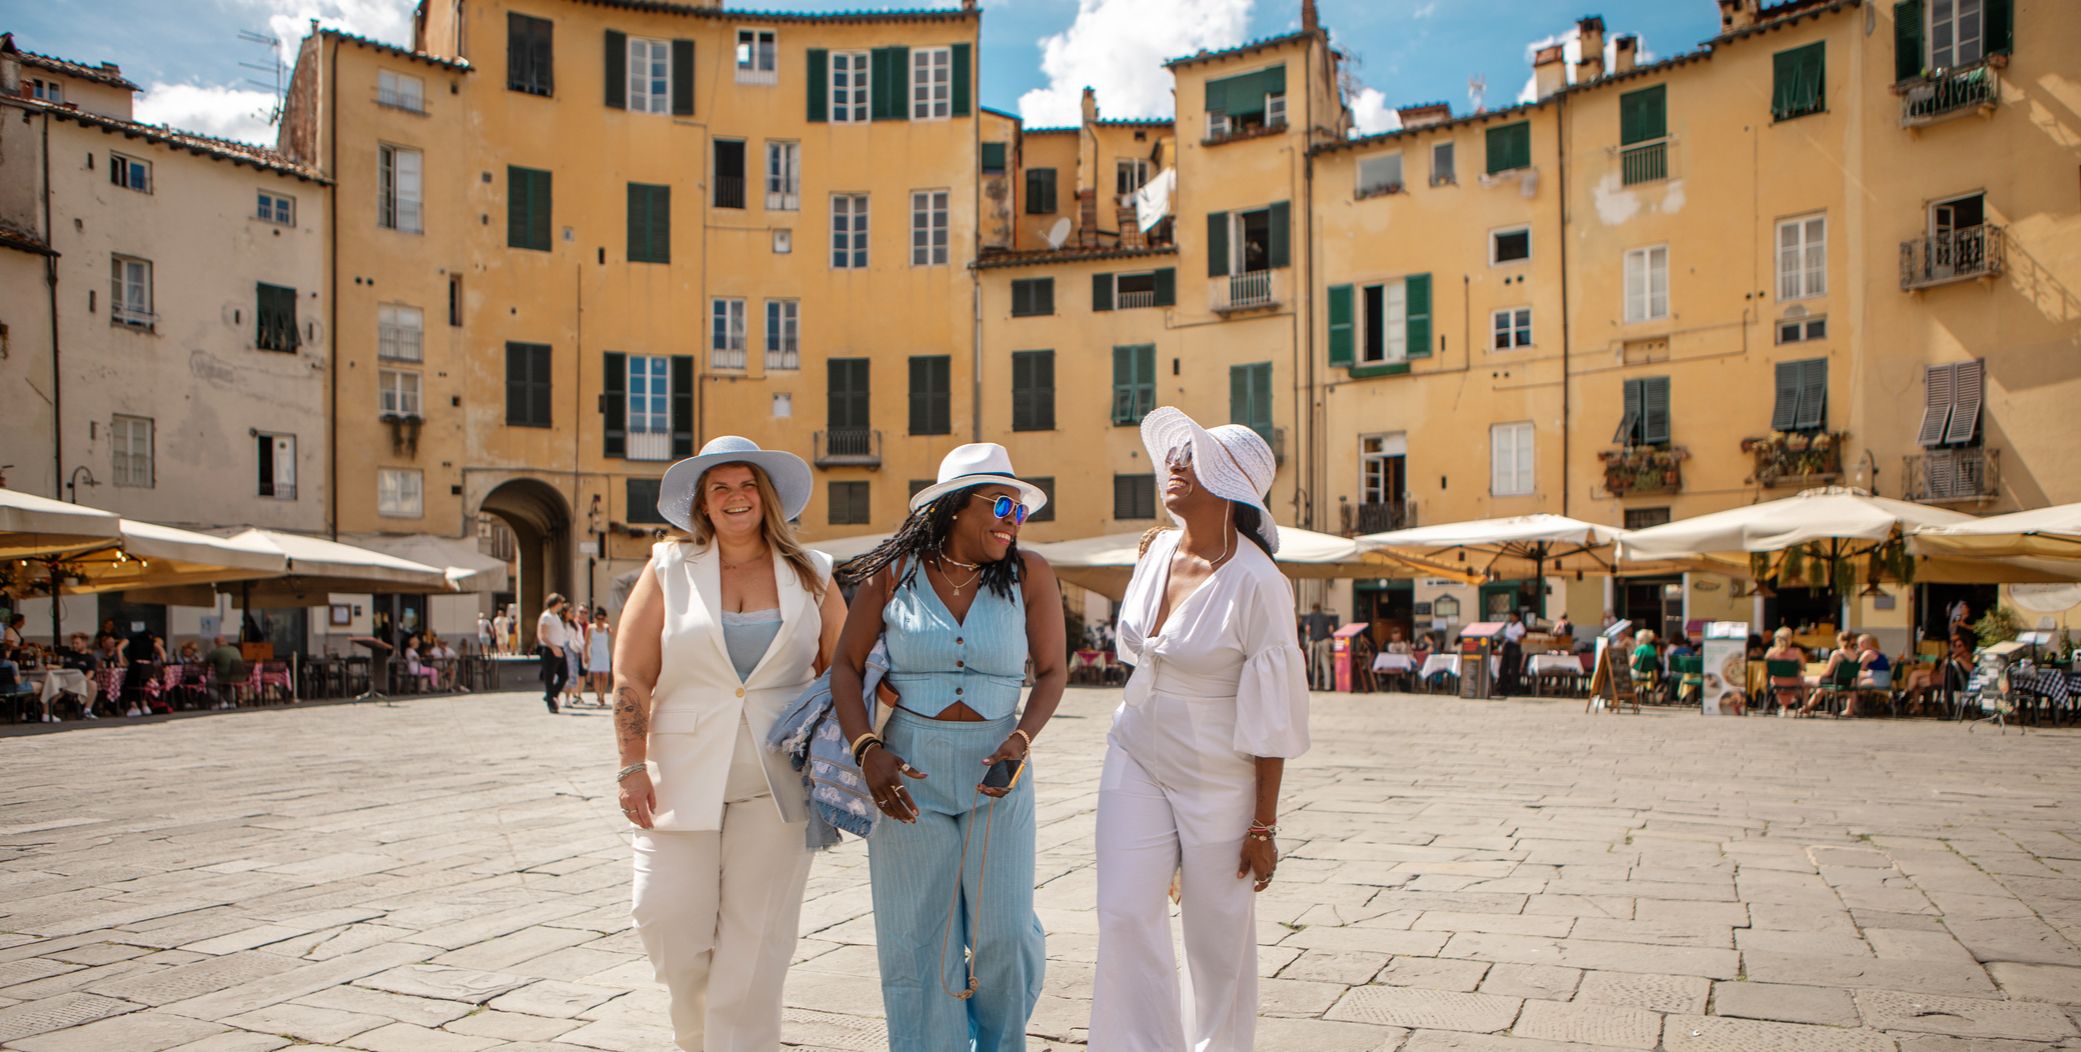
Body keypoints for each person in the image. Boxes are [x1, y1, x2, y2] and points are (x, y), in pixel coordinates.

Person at [614, 436, 848, 1051]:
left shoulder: (814, 572)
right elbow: (632, 673)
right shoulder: (669, 566)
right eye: (720, 487)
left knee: (757, 945)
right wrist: (629, 766)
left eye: (747, 485)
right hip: (678, 780)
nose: (735, 497)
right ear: (703, 504)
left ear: (766, 497)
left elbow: (844, 672)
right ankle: (700, 1040)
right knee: (665, 921)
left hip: (778, 788)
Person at [830, 442, 1065, 1052]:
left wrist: (1020, 738)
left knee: (1005, 934)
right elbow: (846, 667)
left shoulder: (1031, 573)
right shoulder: (893, 571)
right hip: (908, 772)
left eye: (1019, 510)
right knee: (917, 937)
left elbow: (1053, 671)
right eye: (1003, 505)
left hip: (999, 771)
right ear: (958, 507)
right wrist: (866, 749)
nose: (1013, 520)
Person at [1088, 409, 1308, 1052]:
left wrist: (1263, 826)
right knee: (1125, 912)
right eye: (1174, 454)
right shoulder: (1154, 549)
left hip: (1220, 778)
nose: (1173, 465)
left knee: (1218, 941)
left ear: (1230, 483)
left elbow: (1274, 720)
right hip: (1134, 750)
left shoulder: (1259, 583)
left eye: (1192, 457)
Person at [1798, 630, 1858, 715]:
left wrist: (1819, 675)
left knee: (1806, 682)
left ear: (1840, 640)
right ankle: (1807, 708)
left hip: (1833, 681)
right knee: (1820, 690)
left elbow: (1828, 672)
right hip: (1847, 682)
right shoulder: (1856, 655)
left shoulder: (1836, 654)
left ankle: (1805, 705)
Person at [537, 593, 569, 713]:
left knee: (564, 675)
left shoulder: (556, 616)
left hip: (560, 648)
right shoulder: (546, 616)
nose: (562, 605)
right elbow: (542, 635)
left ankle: (550, 695)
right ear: (556, 603)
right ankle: (551, 704)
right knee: (549, 678)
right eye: (561, 603)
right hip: (550, 649)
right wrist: (553, 647)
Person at [1764, 628, 1808, 715]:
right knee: (1806, 685)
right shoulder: (1797, 652)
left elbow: (1765, 668)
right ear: (1790, 639)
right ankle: (1805, 708)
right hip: (1793, 682)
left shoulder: (1770, 652)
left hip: (1776, 682)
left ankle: (1784, 707)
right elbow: (1804, 668)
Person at [1298, 603, 1337, 690]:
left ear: (1313, 608)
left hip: (1314, 641)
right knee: (1325, 663)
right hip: (1325, 640)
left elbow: (1307, 628)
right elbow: (1331, 629)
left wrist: (1310, 635)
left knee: (1313, 664)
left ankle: (1315, 685)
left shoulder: (1311, 616)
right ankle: (1327, 686)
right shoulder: (1326, 617)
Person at [205, 635, 245, 709]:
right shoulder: (235, 649)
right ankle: (231, 702)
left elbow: (206, 661)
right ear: (226, 642)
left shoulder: (217, 651)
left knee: (208, 684)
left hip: (225, 677)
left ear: (216, 643)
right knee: (227, 685)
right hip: (240, 676)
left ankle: (222, 701)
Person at [587, 608, 613, 707]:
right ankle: (598, 695)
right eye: (598, 618)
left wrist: (608, 622)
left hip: (604, 655)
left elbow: (614, 634)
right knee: (597, 676)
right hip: (595, 655)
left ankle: (602, 694)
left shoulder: (607, 628)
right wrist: (586, 655)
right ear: (595, 618)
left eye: (602, 619)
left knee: (605, 676)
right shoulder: (591, 628)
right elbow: (586, 643)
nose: (600, 621)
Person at [1498, 610, 1527, 695]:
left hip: (1514, 647)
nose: (1511, 618)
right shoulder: (1509, 625)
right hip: (1507, 646)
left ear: (1517, 617)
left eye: (1513, 616)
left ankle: (1515, 688)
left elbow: (1519, 640)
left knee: (1514, 669)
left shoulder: (1520, 626)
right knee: (1503, 668)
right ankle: (1503, 687)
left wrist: (1510, 639)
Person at [564, 606, 588, 707]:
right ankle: (553, 694)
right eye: (571, 611)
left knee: (572, 675)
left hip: (573, 651)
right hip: (562, 650)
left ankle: (568, 698)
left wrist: (582, 650)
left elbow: (581, 639)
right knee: (561, 675)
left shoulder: (575, 625)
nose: (572, 613)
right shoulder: (561, 624)